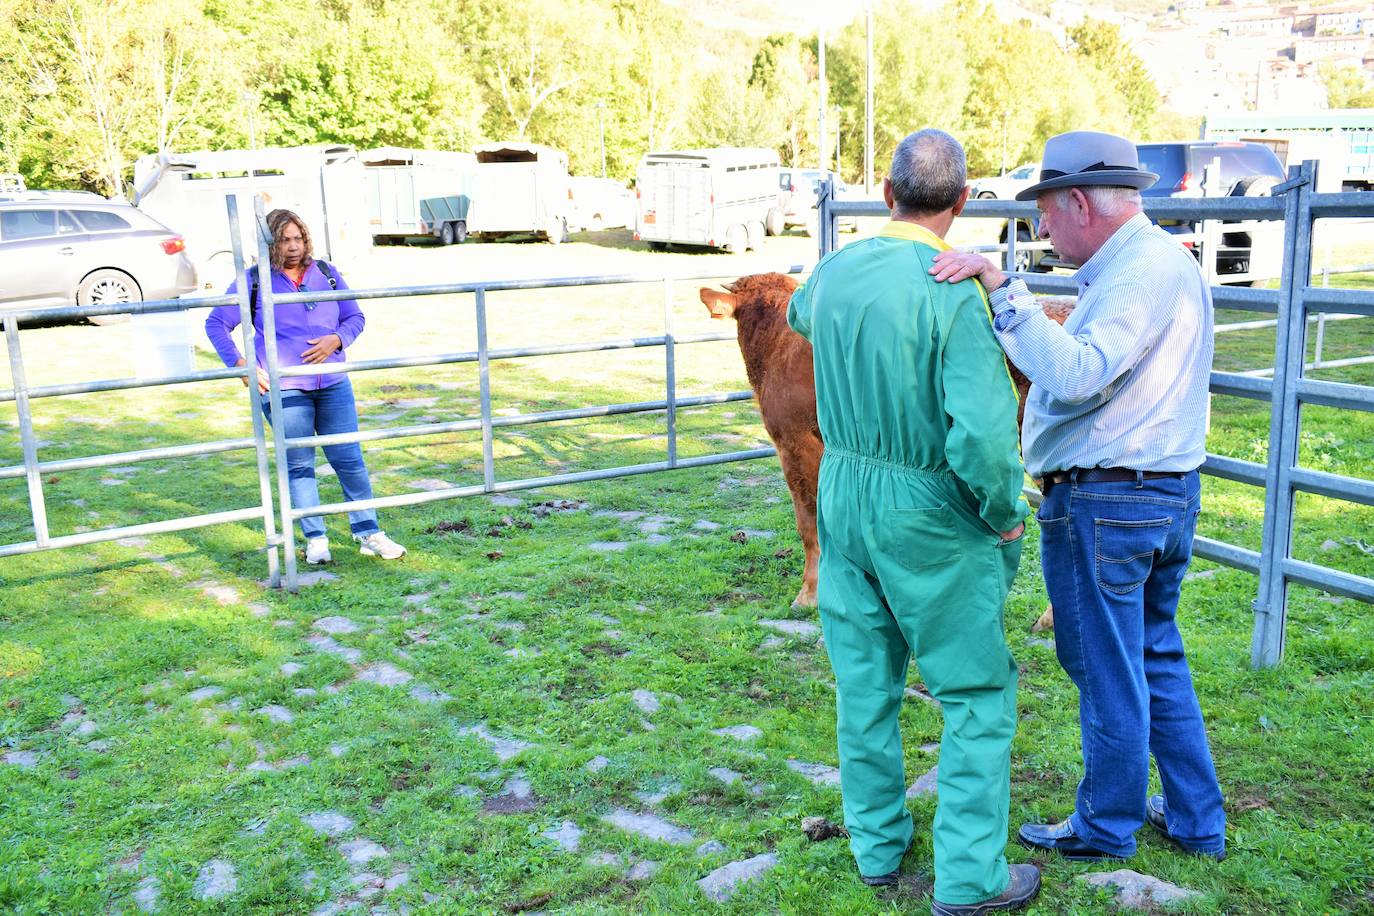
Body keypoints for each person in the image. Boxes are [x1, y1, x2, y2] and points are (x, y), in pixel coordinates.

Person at [930, 130, 1227, 863]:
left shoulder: (1139, 274)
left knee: (1104, 665)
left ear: (1079, 202)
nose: (1041, 229)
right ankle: (1194, 819)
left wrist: (1006, 292)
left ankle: (1104, 825)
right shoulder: (1154, 264)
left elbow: (1077, 370)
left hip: (1110, 500)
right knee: (1151, 655)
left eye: (1045, 212)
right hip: (1155, 492)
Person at [787, 129, 1041, 915]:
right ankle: (969, 878)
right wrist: (1003, 517)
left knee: (864, 683)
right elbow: (985, 436)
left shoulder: (835, 268)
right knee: (973, 692)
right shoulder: (950, 288)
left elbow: (798, 313)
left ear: (888, 195)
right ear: (961, 203)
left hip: (845, 490)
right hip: (927, 508)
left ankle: (875, 843)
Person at [205, 208, 406, 565]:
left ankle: (368, 532)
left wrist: (337, 341)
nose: (293, 246)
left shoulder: (326, 273)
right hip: (284, 389)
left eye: (298, 238)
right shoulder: (253, 281)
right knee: (299, 464)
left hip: (333, 384)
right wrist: (242, 366)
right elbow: (216, 324)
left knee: (350, 460)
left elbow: (355, 316)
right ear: (270, 242)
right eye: (284, 239)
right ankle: (315, 539)